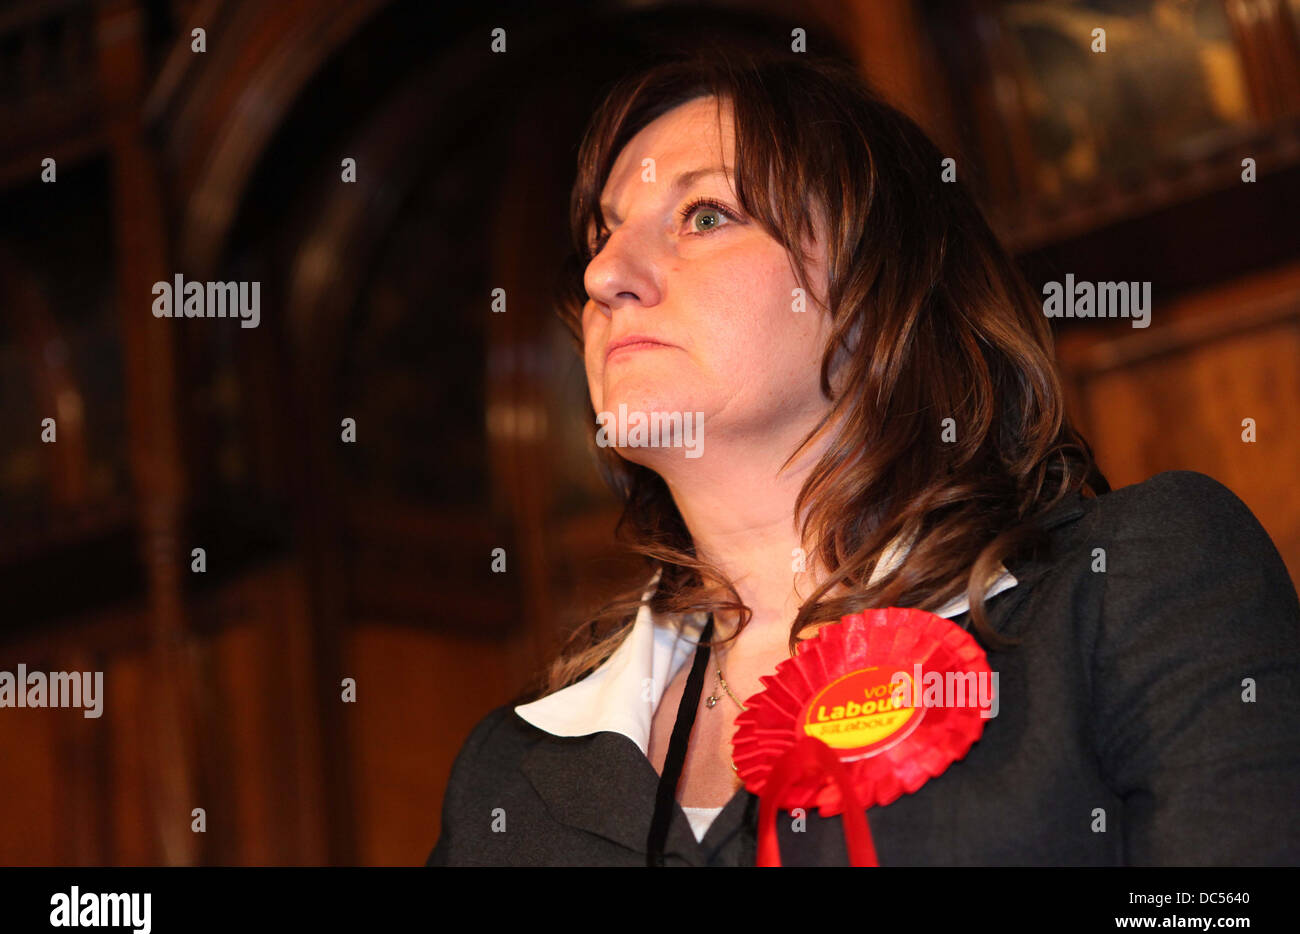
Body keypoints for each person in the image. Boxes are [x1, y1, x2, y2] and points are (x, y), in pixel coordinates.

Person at [427, 50, 1300, 866]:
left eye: (704, 215)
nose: (605, 275)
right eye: (599, 237)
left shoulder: (1127, 579)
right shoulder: (508, 774)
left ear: (881, 293)